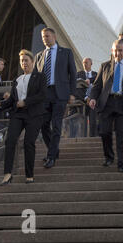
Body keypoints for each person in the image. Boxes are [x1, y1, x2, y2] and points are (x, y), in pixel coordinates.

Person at [0, 50, 46, 185]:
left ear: (32, 61)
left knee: (28, 143)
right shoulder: (17, 80)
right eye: (21, 61)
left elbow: (42, 95)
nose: (24, 63)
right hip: (18, 114)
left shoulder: (40, 77)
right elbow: (12, 100)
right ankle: (7, 174)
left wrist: (26, 102)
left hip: (34, 115)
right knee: (10, 140)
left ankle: (29, 175)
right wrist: (0, 104)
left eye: (26, 60)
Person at [89, 39, 123, 172]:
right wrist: (93, 98)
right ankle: (109, 156)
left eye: (120, 50)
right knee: (104, 132)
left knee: (122, 135)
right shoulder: (105, 66)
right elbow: (97, 85)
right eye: (115, 50)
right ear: (112, 51)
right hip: (107, 103)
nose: (118, 53)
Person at [34, 27, 77, 169]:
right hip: (45, 95)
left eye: (47, 36)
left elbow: (73, 73)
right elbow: (35, 77)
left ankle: (51, 156)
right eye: (42, 37)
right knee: (43, 124)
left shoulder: (66, 52)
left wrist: (72, 93)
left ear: (54, 36)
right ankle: (54, 150)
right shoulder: (40, 55)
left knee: (56, 124)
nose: (44, 39)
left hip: (60, 94)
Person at [74, 57, 98, 137]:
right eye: (83, 62)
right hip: (82, 101)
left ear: (91, 64)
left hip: (93, 101)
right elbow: (76, 89)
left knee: (93, 120)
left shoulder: (96, 74)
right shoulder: (78, 74)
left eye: (86, 62)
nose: (84, 64)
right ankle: (81, 137)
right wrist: (85, 98)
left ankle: (92, 137)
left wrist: (91, 98)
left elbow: (98, 86)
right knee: (81, 120)